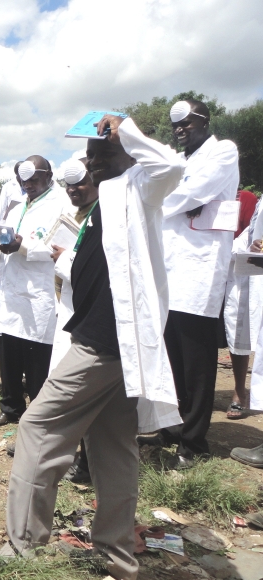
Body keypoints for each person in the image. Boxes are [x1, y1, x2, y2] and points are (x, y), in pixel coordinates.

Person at [5, 114, 184, 580]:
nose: (92, 161)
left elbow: (168, 165)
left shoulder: (140, 186)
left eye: (103, 152)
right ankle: (117, 556)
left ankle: (23, 546)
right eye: (91, 153)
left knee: (37, 427)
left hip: (104, 344)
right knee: (113, 447)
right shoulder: (109, 199)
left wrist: (125, 128)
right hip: (110, 341)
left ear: (129, 150)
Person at [139, 99, 240, 468]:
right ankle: (170, 427)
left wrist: (164, 200)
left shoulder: (223, 152)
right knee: (171, 358)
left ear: (204, 119)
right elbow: (178, 193)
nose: (179, 127)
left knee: (196, 363)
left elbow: (188, 193)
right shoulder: (179, 160)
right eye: (174, 123)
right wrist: (177, 198)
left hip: (198, 272)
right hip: (169, 269)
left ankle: (194, 444)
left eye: (186, 121)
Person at [0, 156, 66, 428]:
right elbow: (3, 245)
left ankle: (38, 412)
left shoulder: (61, 204)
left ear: (49, 174)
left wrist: (21, 246)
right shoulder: (17, 205)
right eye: (24, 179)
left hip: (38, 290)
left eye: (34, 178)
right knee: (9, 348)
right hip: (11, 287)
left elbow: (57, 249)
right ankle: (10, 407)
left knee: (36, 354)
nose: (28, 184)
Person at [48, 158, 100, 483]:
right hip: (69, 305)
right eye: (68, 185)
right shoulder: (80, 216)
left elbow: (92, 269)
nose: (72, 190)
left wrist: (63, 258)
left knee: (83, 389)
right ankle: (74, 454)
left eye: (79, 183)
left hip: (87, 313)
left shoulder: (100, 216)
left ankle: (88, 463)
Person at [223, 190, 260, 419]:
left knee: (241, 331)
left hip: (241, 275)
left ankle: (240, 392)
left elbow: (253, 234)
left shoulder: (245, 199)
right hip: (213, 270)